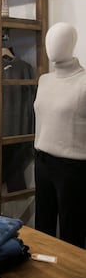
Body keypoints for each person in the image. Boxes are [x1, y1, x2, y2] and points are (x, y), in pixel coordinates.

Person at [34, 22, 86, 248]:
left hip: (73, 167)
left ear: (72, 44)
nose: (52, 46)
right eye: (49, 40)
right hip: (42, 161)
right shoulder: (44, 80)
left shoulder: (83, 82)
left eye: (60, 40)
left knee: (71, 232)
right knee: (42, 228)